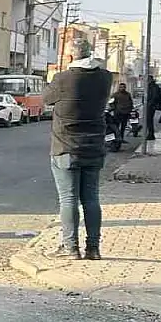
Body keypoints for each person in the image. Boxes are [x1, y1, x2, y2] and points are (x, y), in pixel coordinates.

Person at [47, 39, 112, 260]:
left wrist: (56, 74)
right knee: (91, 198)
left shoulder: (62, 78)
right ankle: (93, 248)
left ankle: (71, 247)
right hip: (94, 146)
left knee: (68, 199)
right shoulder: (105, 77)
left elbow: (47, 98)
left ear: (70, 56)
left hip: (66, 147)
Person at [145, 75, 161, 141]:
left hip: (151, 105)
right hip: (149, 104)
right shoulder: (151, 86)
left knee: (149, 120)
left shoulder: (153, 86)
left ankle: (151, 134)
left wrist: (150, 104)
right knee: (148, 120)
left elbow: (155, 96)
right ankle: (150, 133)